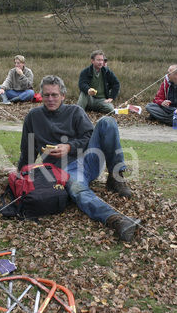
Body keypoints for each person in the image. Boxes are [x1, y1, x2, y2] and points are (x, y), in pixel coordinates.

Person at [17, 75, 139, 242]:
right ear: (41, 96)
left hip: (89, 159)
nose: (50, 99)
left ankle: (115, 177)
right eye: (46, 95)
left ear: (63, 96)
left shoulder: (75, 111)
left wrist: (69, 147)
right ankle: (117, 220)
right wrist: (21, 173)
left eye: (55, 95)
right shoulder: (33, 116)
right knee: (77, 189)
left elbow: (89, 135)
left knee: (107, 122)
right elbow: (27, 149)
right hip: (63, 170)